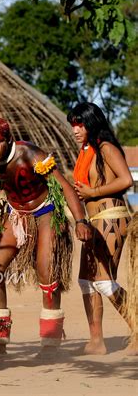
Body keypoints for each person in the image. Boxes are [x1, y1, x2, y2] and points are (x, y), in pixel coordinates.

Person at [0, 116, 91, 358]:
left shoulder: (31, 154)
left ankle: (51, 341)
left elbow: (64, 186)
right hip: (16, 215)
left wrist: (80, 220)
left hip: (45, 212)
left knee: (47, 270)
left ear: (8, 139)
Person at [68, 102, 135, 355]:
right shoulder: (86, 151)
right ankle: (96, 341)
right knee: (86, 281)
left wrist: (93, 192)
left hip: (111, 218)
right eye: (73, 125)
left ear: (92, 123)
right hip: (94, 222)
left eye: (80, 124)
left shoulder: (105, 147)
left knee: (104, 281)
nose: (75, 130)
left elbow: (126, 179)